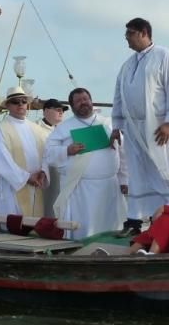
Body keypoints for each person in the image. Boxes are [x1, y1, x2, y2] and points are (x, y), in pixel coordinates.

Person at [111, 17, 169, 237]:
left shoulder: (165, 57)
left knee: (163, 170)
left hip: (157, 127)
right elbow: (118, 95)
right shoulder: (127, 65)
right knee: (137, 172)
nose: (126, 39)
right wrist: (116, 126)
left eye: (130, 34)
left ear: (143, 32)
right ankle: (135, 219)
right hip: (132, 129)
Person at [43, 88, 127, 239]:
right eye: (78, 101)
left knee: (110, 230)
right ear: (72, 106)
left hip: (110, 187)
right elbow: (48, 153)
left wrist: (124, 179)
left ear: (91, 101)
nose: (83, 103)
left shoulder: (109, 124)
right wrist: (67, 150)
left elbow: (123, 153)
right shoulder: (64, 128)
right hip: (80, 189)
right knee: (84, 230)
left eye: (85, 99)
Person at [0, 86, 49, 218]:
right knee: (14, 226)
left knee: (35, 226)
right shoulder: (1, 129)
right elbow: (1, 160)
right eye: (16, 102)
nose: (21, 104)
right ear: (8, 106)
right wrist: (26, 177)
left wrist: (43, 172)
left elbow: (47, 153)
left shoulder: (37, 129)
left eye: (23, 101)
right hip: (14, 186)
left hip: (36, 185)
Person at [38, 97, 68, 217]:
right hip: (43, 174)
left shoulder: (63, 132)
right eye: (57, 109)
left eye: (62, 110)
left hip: (60, 174)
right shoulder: (35, 129)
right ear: (45, 111)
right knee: (46, 205)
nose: (61, 112)